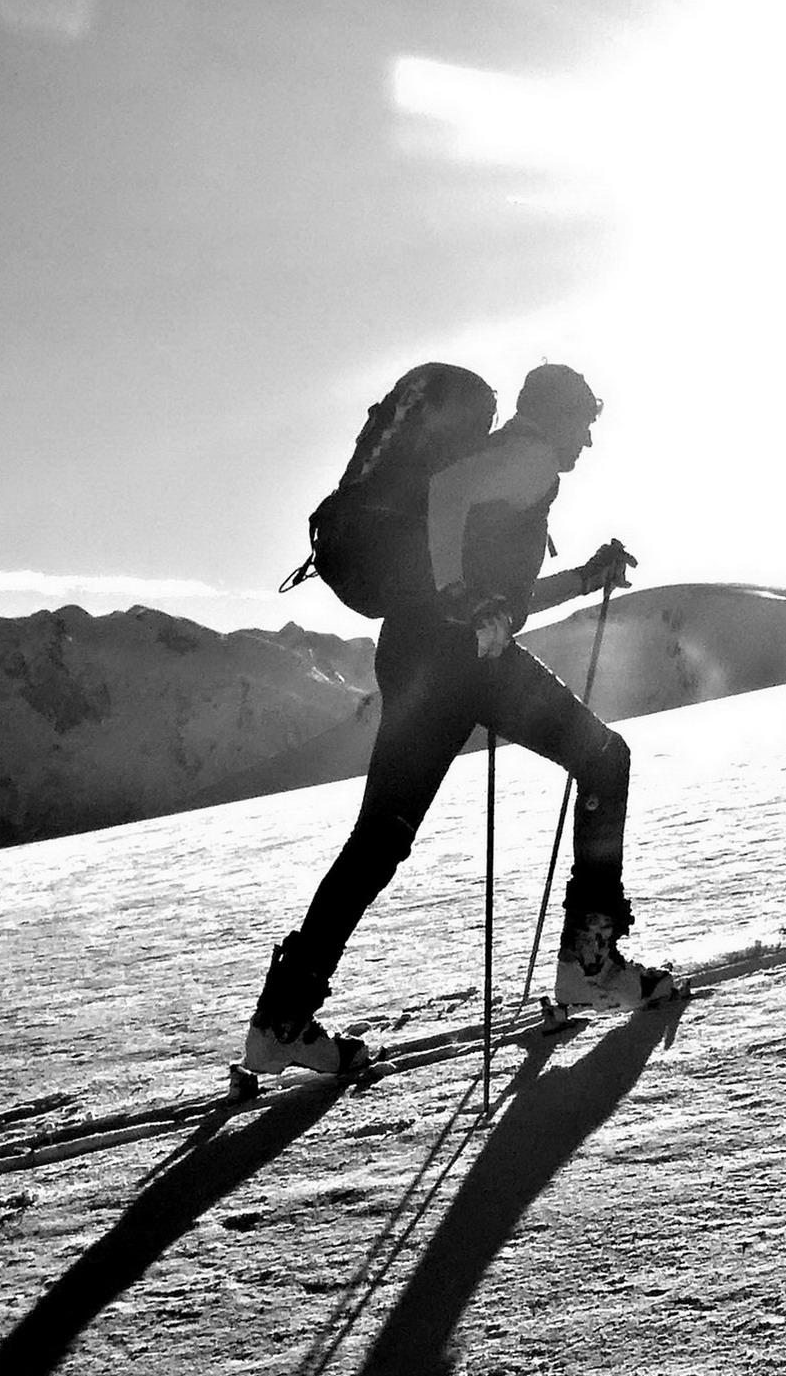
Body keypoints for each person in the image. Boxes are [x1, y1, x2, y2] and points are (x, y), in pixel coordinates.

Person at [241, 362, 656, 1077]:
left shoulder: (505, 463)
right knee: (604, 759)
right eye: (583, 423)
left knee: (378, 842)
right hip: (463, 662)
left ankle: (282, 1019)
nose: (586, 441)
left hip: (418, 654)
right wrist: (461, 596)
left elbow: (508, 601)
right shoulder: (526, 459)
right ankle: (590, 964)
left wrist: (582, 578)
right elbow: (449, 497)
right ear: (554, 416)